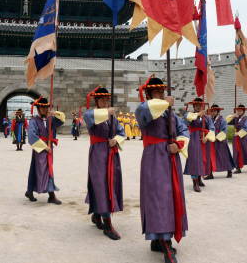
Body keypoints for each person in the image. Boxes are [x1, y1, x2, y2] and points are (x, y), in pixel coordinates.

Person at [135, 76, 190, 263]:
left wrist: (179, 144)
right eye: (157, 91)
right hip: (154, 158)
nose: (161, 94)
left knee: (171, 197)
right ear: (149, 93)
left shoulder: (170, 113)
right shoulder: (143, 108)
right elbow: (148, 112)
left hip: (171, 158)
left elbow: (184, 130)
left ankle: (158, 240)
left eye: (162, 91)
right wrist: (164, 102)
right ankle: (166, 245)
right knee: (158, 198)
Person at [83, 86, 125, 240]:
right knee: (101, 183)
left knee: (108, 183)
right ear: (96, 101)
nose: (106, 102)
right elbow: (89, 118)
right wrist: (107, 112)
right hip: (98, 153)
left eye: (107, 99)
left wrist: (117, 140)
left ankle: (96, 214)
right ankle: (107, 225)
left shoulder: (113, 117)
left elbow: (122, 132)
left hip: (111, 153)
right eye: (102, 99)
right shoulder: (90, 113)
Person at [25, 97, 65, 204]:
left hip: (49, 148)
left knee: (49, 169)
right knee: (39, 169)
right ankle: (30, 191)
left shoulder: (50, 119)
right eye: (42, 108)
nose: (44, 110)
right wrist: (43, 146)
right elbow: (32, 136)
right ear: (38, 109)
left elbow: (62, 120)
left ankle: (51, 195)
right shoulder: (34, 121)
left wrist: (55, 113)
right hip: (40, 149)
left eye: (46, 108)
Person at [183, 97, 215, 192]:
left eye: (200, 105)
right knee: (194, 159)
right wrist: (197, 115)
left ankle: (200, 178)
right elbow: (186, 120)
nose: (198, 106)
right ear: (193, 106)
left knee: (203, 159)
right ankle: (195, 182)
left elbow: (212, 128)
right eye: (196, 105)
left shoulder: (207, 118)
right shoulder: (189, 114)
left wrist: (207, 137)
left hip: (204, 140)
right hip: (193, 139)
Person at [206, 104, 235, 179]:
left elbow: (224, 131)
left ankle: (229, 170)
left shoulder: (222, 120)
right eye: (212, 111)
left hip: (220, 141)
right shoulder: (209, 120)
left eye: (215, 111)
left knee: (224, 156)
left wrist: (216, 138)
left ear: (218, 112)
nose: (213, 112)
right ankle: (210, 173)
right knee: (210, 156)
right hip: (211, 141)